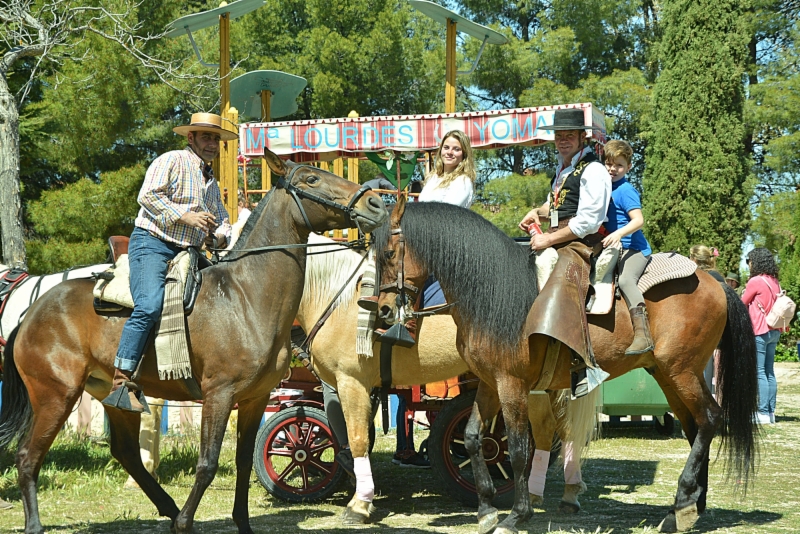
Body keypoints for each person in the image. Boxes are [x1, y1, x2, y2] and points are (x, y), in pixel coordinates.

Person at [103, 112, 234, 413]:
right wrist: (185, 215)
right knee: (149, 304)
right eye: (206, 137)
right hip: (152, 243)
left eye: (215, 138)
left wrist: (221, 237)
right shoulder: (171, 160)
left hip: (189, 251)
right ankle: (121, 380)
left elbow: (223, 220)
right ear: (191, 138)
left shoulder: (211, 183)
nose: (212, 143)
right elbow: (147, 196)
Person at [392, 130, 477, 468]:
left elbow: (440, 216)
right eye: (446, 148)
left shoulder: (463, 183)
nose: (450, 152)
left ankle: (416, 334)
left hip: (445, 254)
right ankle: (401, 328)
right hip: (424, 249)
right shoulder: (434, 178)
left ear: (464, 154)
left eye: (456, 149)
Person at [518, 108, 612, 397]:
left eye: (569, 135)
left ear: (582, 137)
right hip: (560, 236)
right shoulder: (563, 168)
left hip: (582, 241)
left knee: (554, 271)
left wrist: (548, 240)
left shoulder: (594, 170)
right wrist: (537, 212)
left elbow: (587, 221)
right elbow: (557, 207)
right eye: (559, 136)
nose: (563, 140)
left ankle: (581, 362)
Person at [601, 140, 654, 355]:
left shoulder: (625, 190)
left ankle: (643, 335)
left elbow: (638, 220)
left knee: (624, 280)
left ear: (628, 167)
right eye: (609, 163)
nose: (613, 169)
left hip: (634, 249)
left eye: (619, 165)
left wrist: (619, 233)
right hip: (611, 247)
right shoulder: (604, 188)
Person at [742, 247, 783, 424]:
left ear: (755, 262)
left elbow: (742, 302)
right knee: (769, 371)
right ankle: (771, 412)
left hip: (759, 329)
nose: (748, 265)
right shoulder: (774, 281)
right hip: (775, 330)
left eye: (749, 261)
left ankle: (762, 412)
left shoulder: (756, 281)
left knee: (759, 372)